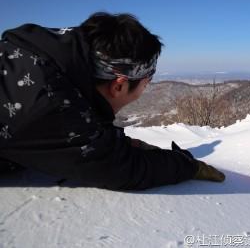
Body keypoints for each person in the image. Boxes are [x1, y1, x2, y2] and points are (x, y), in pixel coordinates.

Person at [0, 12, 225, 190]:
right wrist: (187, 166)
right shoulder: (50, 101)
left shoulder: (33, 57)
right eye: (147, 83)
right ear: (119, 85)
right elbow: (120, 168)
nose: (145, 90)